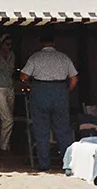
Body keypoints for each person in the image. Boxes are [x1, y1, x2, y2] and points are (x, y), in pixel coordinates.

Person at [20, 32, 77, 171]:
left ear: (40, 42)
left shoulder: (35, 57)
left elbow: (23, 76)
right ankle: (68, 164)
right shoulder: (63, 57)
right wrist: (65, 91)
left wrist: (28, 84)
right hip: (60, 92)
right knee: (63, 130)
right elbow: (74, 78)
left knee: (41, 131)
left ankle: (44, 165)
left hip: (40, 91)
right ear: (54, 42)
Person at [0, 34, 17, 152]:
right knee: (8, 119)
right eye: (7, 44)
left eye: (10, 45)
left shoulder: (12, 55)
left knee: (7, 118)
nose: (9, 47)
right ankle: (3, 146)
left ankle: (6, 143)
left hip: (10, 87)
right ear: (2, 44)